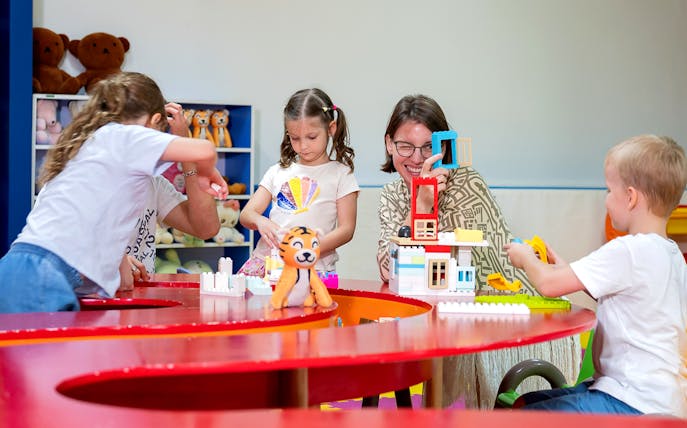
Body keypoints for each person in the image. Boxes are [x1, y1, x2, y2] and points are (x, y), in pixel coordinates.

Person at [377, 94, 580, 408]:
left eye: (429, 147)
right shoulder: (391, 193)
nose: (417, 159)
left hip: (506, 315)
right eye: (405, 146)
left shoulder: (467, 182)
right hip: (440, 322)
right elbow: (388, 270)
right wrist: (420, 205)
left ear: (444, 148)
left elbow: (475, 278)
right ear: (390, 144)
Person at [0, 72, 228, 313]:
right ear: (154, 122)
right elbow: (204, 150)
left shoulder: (94, 151)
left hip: (27, 269)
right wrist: (205, 171)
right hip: (42, 272)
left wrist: (115, 261)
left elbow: (91, 224)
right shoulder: (122, 136)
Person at [505, 135, 687, 416]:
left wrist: (525, 257)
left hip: (631, 401)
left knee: (522, 416)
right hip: (663, 401)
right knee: (524, 403)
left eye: (608, 191)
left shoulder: (628, 250)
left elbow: (548, 285)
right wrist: (561, 266)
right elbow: (613, 290)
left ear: (630, 197)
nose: (606, 200)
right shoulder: (671, 255)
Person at [239, 88, 358, 276]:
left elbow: (346, 229)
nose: (303, 146)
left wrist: (307, 250)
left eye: (311, 137)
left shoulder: (341, 175)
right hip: (268, 263)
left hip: (313, 266)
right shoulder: (278, 171)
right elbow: (246, 214)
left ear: (331, 129)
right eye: (294, 138)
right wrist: (260, 221)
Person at [120, 102, 221, 289]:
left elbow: (206, 228)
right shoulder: (92, 177)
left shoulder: (154, 184)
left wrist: (187, 151)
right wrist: (112, 260)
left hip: (136, 296)